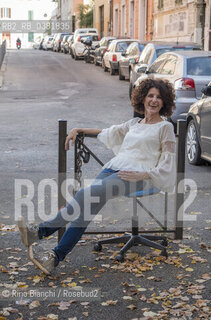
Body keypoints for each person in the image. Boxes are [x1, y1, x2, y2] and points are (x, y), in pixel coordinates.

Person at [18, 78, 176, 275]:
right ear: (142, 99)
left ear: (165, 102)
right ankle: (54, 258)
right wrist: (78, 130)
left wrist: (143, 174)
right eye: (150, 96)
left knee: (85, 194)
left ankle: (40, 232)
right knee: (85, 211)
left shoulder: (165, 127)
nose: (154, 100)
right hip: (113, 169)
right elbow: (107, 132)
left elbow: (169, 161)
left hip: (137, 176)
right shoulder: (135, 123)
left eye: (159, 97)